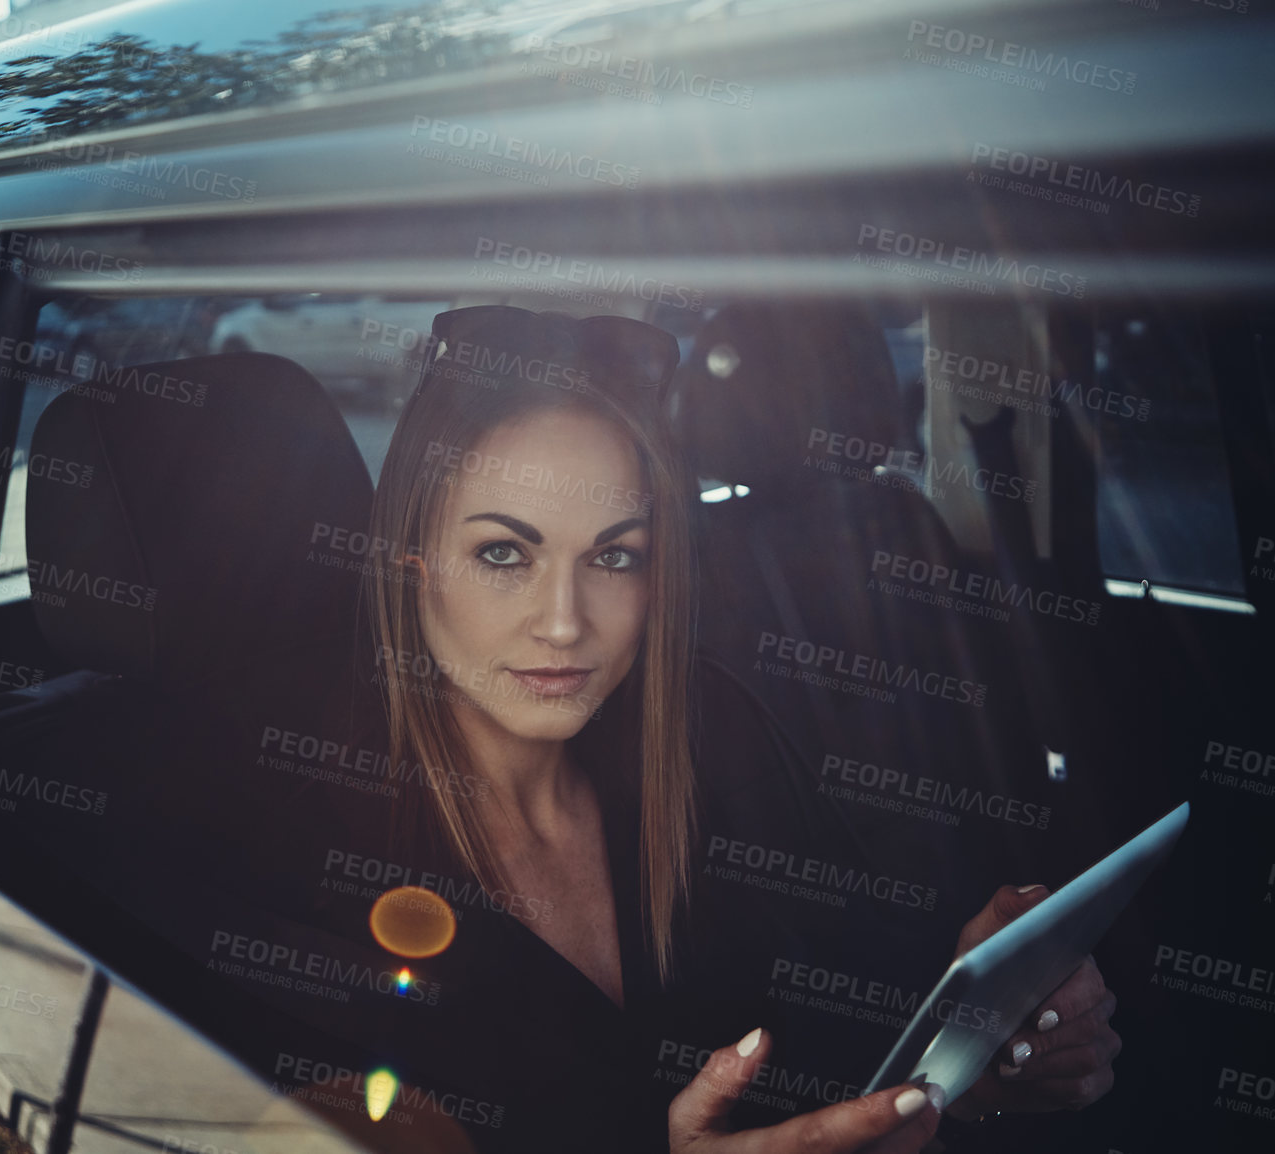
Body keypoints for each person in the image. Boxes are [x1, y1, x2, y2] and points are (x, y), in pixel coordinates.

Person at [299, 305, 1122, 1152]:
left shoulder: (714, 752)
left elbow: (837, 1033)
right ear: (413, 572)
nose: (562, 623)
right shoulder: (326, 864)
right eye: (504, 555)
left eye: (614, 556)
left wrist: (977, 1057)